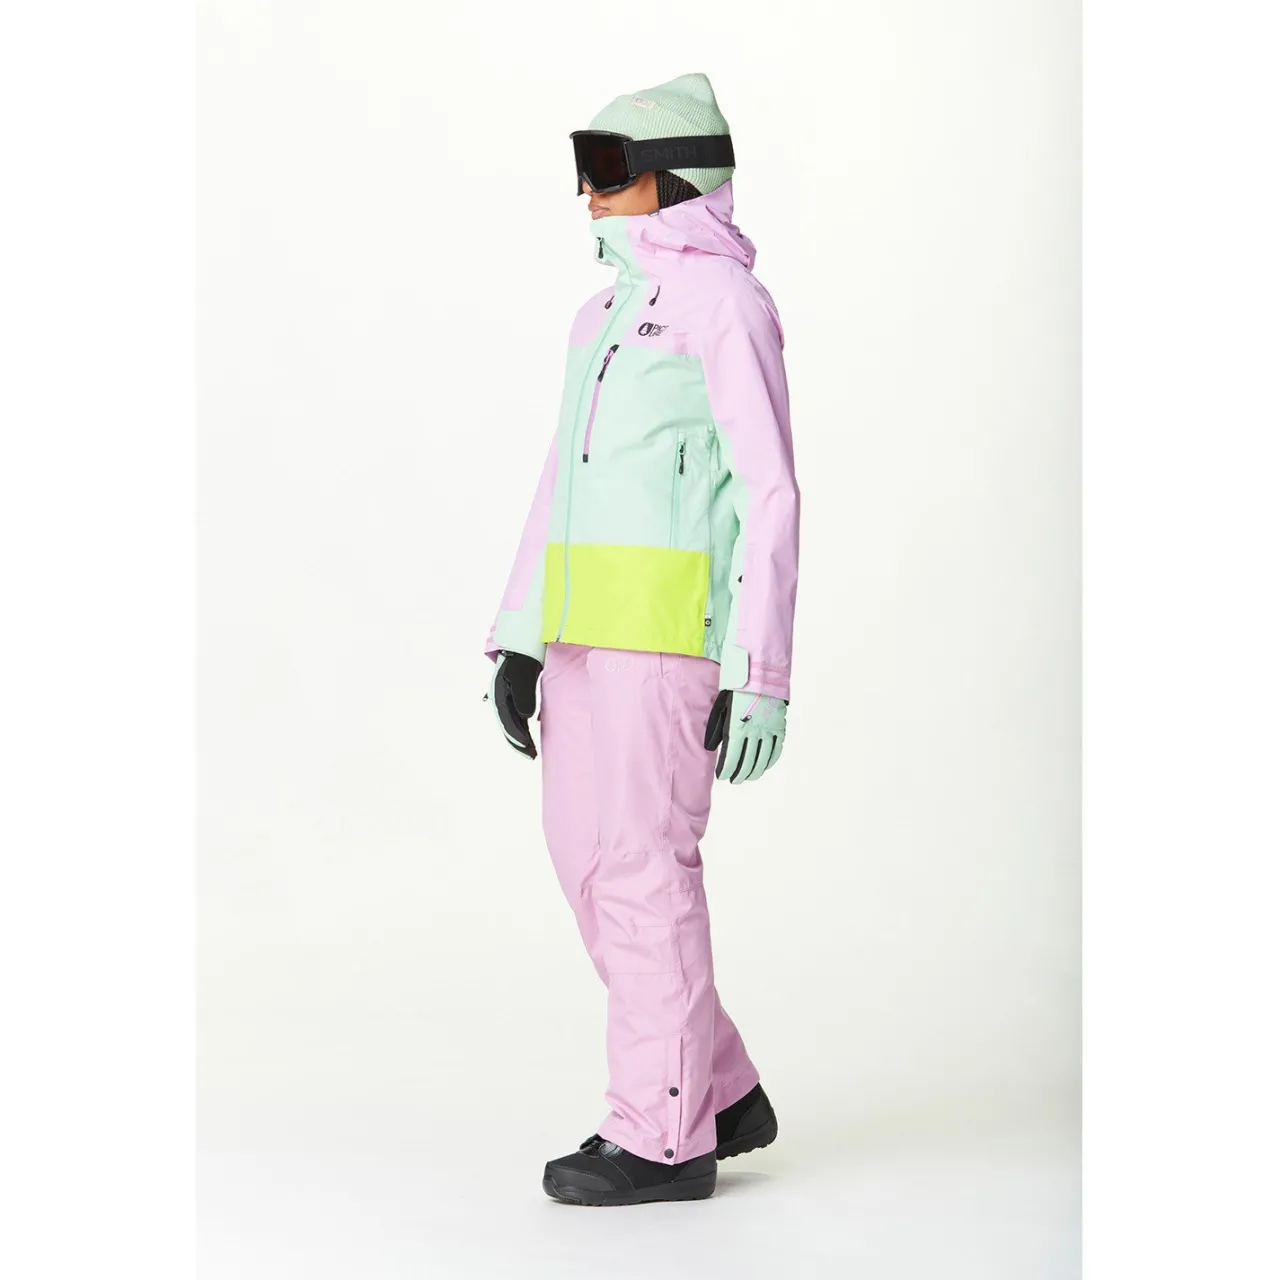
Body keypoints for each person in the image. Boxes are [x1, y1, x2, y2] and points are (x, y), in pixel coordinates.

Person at [484, 72, 800, 1206]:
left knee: (640, 874)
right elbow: (559, 484)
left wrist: (761, 671)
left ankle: (664, 1136)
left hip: (665, 644)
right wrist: (521, 636)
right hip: (581, 639)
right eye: (584, 167)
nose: (589, 193)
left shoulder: (726, 306)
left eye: (609, 169)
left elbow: (768, 492)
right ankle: (716, 1084)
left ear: (675, 178)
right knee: (586, 861)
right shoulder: (602, 317)